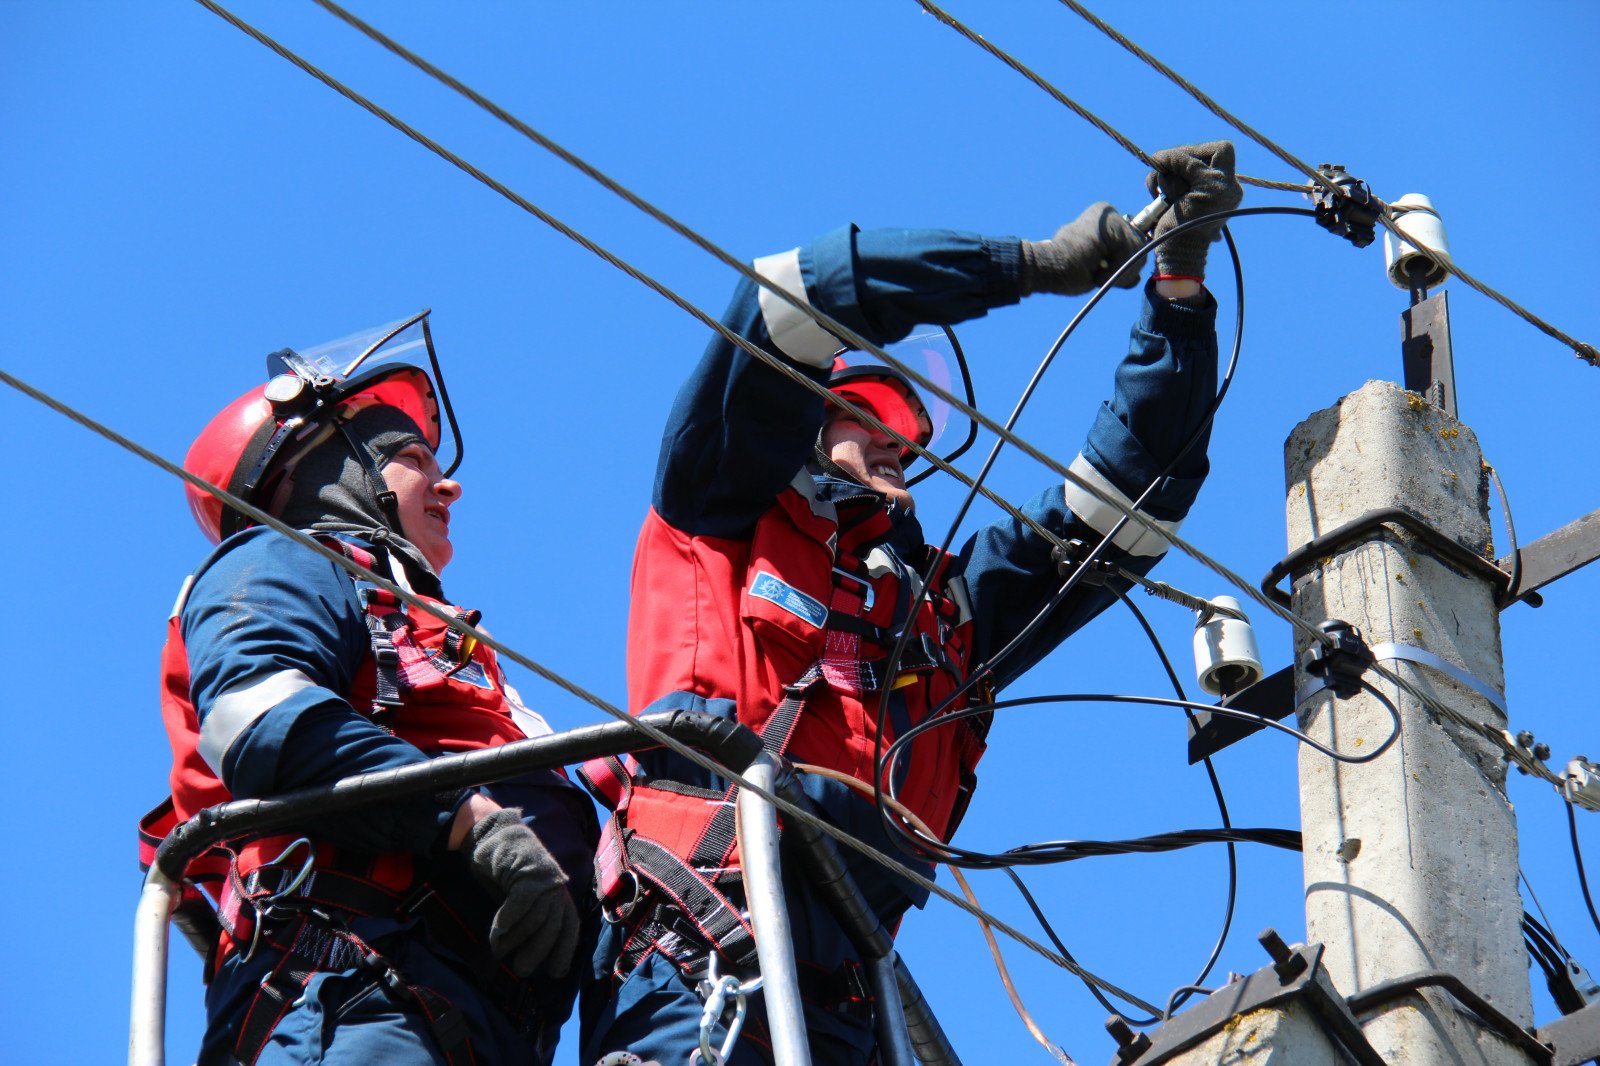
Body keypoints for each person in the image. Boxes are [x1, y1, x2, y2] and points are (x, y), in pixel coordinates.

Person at [579, 142, 1242, 1065]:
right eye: (870, 419)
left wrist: (1177, 285)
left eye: (913, 432)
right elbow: (795, 291)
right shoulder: (720, 505)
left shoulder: (946, 614)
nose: (903, 442)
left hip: (851, 996)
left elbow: (1133, 495)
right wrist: (1033, 264)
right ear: (804, 424)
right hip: (700, 957)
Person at [142, 314, 598, 1065]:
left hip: (464, 1016)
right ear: (328, 473)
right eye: (414, 456)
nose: (449, 481)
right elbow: (257, 719)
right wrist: (469, 820)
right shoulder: (283, 563)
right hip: (352, 994)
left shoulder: (433, 634)